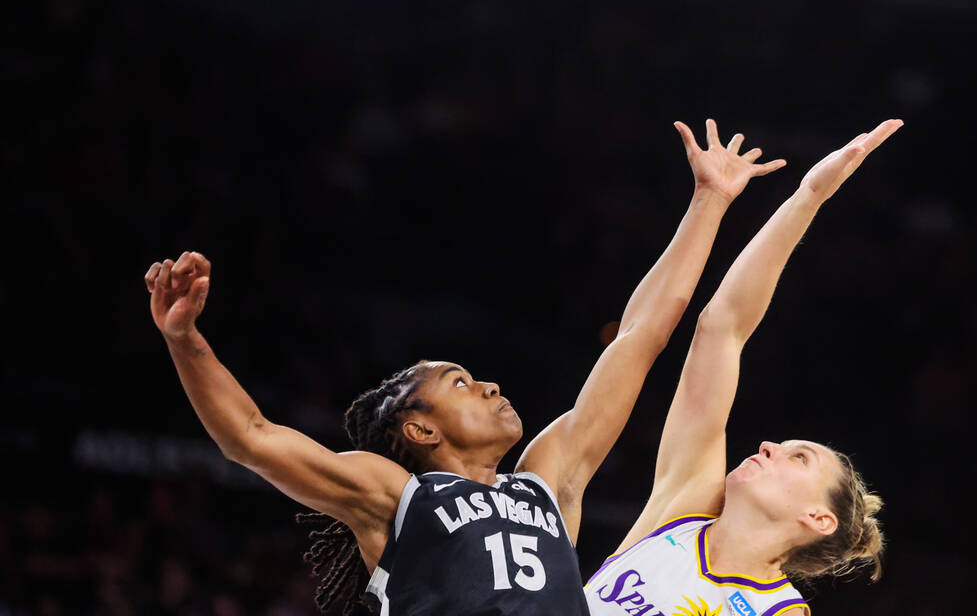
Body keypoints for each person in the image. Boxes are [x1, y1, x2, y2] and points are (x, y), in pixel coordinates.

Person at [144, 120, 785, 616]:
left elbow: (640, 338)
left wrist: (708, 202)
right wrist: (185, 340)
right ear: (422, 430)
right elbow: (251, 438)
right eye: (459, 383)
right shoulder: (396, 496)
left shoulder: (547, 482)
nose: (489, 385)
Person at [585, 119, 901, 616]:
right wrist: (808, 197)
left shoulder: (778, 612)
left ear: (818, 518)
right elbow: (722, 329)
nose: (770, 445)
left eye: (800, 458)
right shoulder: (685, 506)